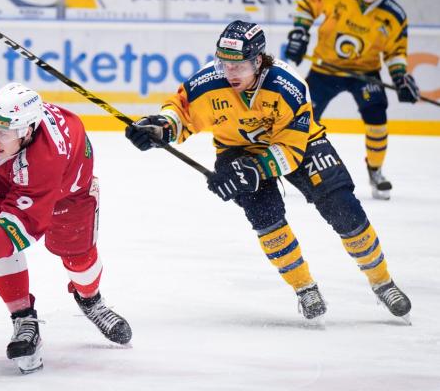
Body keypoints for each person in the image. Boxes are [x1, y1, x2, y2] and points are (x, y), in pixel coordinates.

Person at [126, 20, 411, 322]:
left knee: (344, 207)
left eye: (238, 66)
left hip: (301, 144)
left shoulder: (289, 86)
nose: (229, 73)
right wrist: (161, 128)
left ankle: (382, 282)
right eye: (224, 64)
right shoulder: (209, 82)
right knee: (266, 216)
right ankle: (304, 288)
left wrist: (256, 169)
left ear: (257, 61)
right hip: (238, 150)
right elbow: (181, 110)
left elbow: (292, 150)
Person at [0, 82, 132, 373]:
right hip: (1, 176)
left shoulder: (47, 157)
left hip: (66, 190)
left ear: (27, 131)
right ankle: (23, 319)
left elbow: (21, 226)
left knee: (78, 258)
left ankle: (91, 301)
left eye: (3, 133)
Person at [284, 0, 418, 200]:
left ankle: (375, 171)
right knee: (302, 117)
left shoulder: (394, 14)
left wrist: (399, 76)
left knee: (377, 119)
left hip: (364, 74)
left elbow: (396, 51)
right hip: (325, 70)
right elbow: (306, 6)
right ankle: (293, 166)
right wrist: (300, 33)